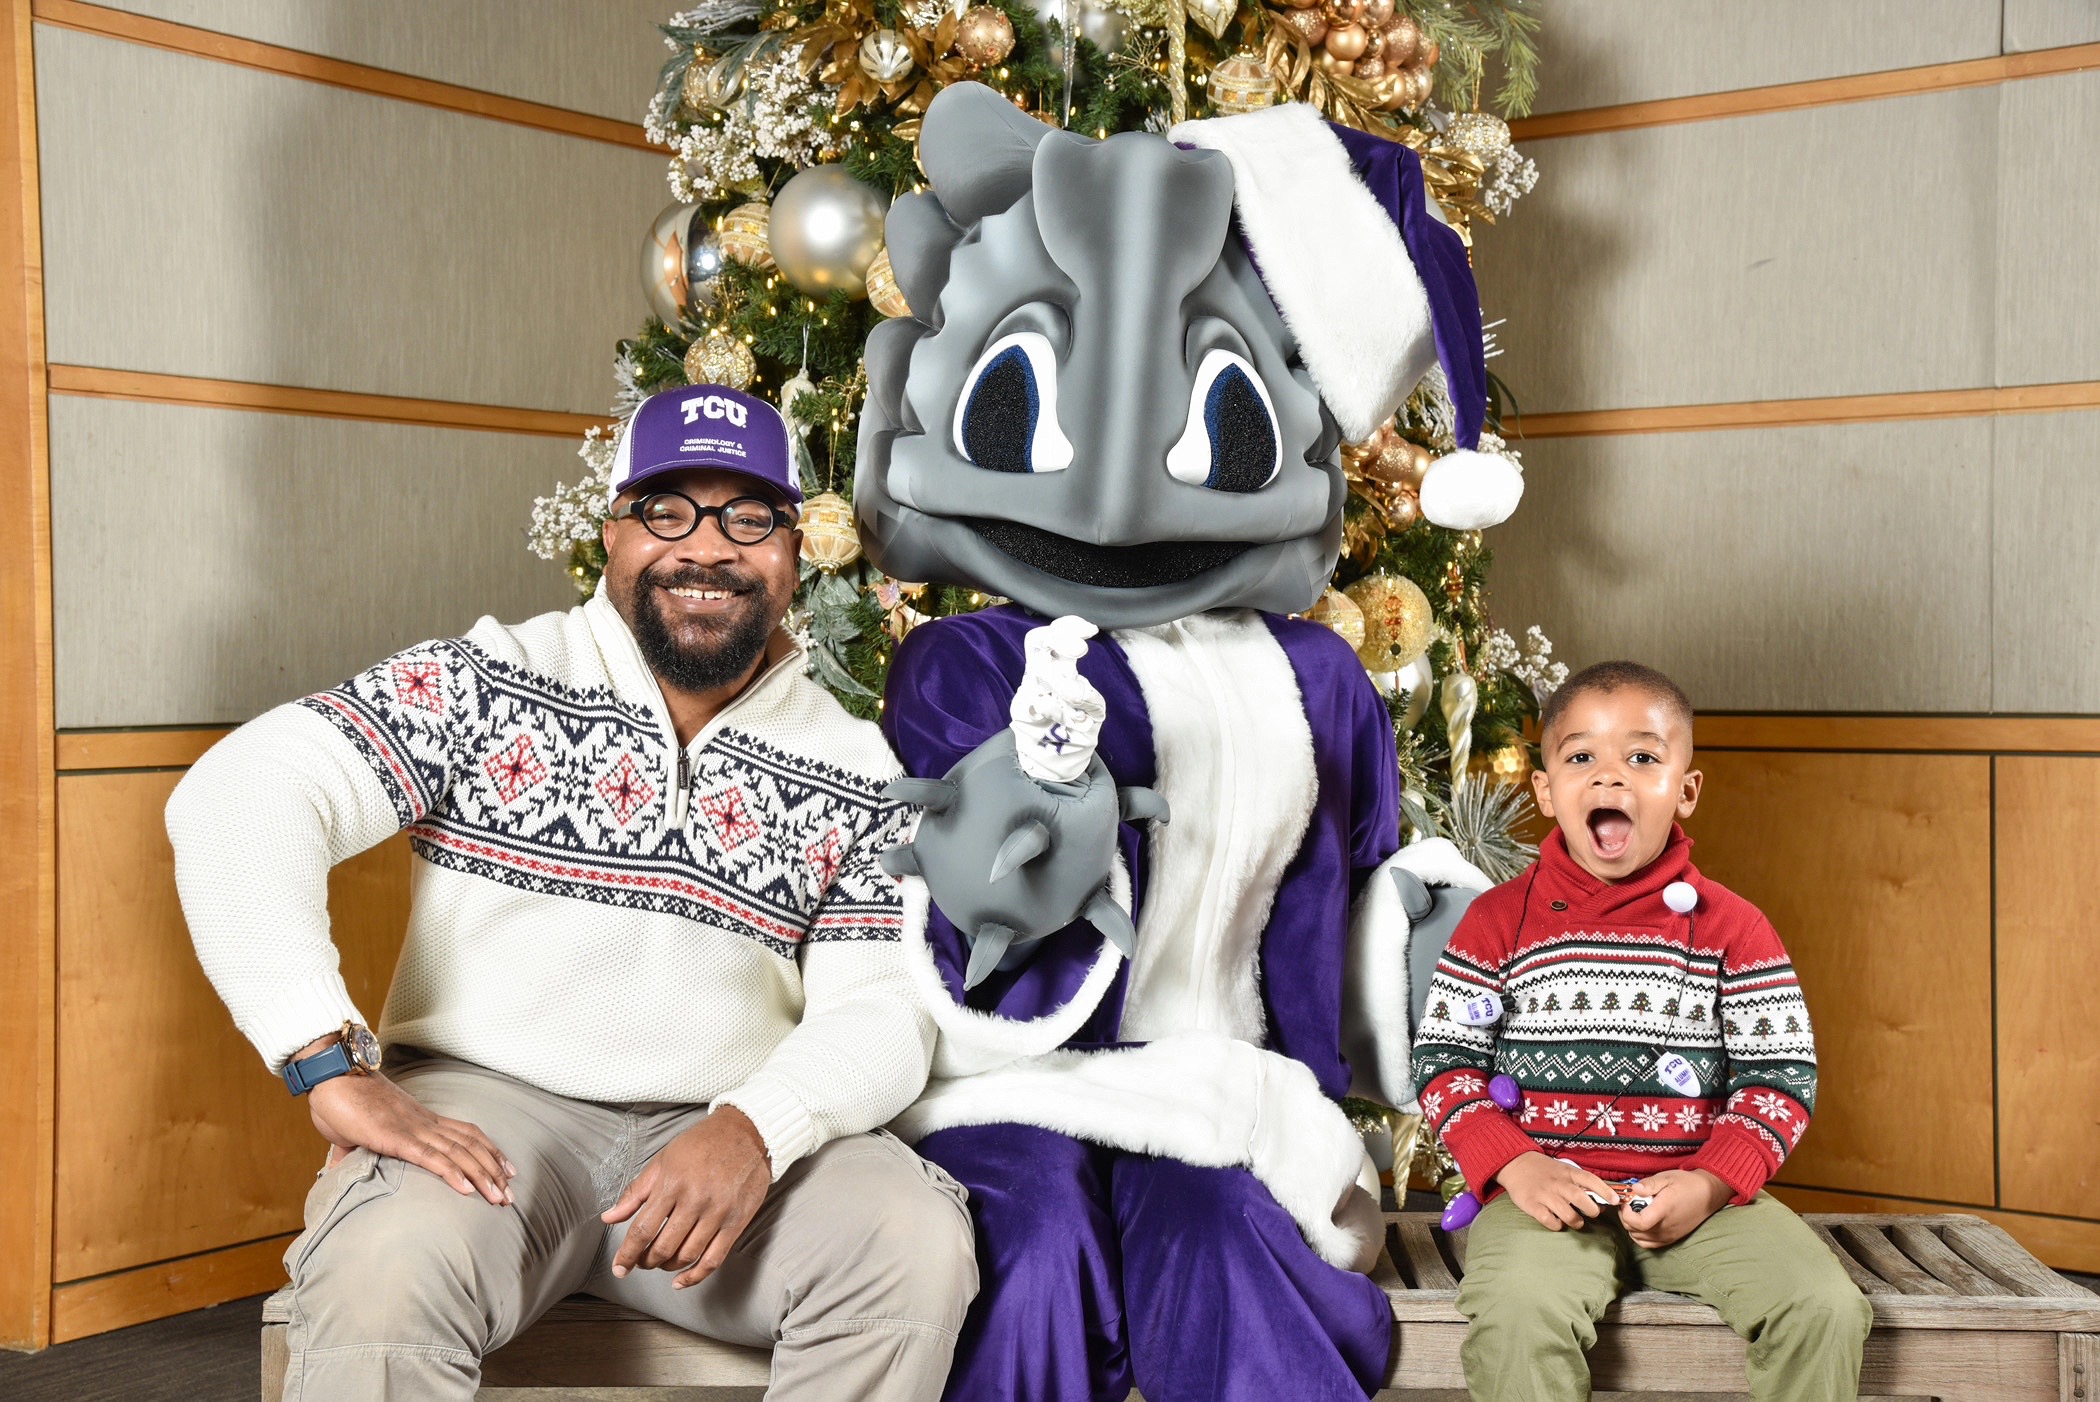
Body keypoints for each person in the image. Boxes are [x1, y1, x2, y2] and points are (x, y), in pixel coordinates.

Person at [166, 385, 976, 1401]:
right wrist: (325, 1059)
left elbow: (884, 1009)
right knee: (380, 1273)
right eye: (667, 510)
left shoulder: (858, 764)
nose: (707, 548)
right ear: (612, 534)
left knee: (910, 1241)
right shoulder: (489, 680)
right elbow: (244, 791)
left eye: (750, 516)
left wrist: (757, 1127)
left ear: (793, 550)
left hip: (725, 1131)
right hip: (487, 1125)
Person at [1412, 660, 1872, 1401]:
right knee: (1520, 1313)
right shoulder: (1498, 921)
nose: (1609, 778)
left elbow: (1780, 1078)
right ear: (1544, 790)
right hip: (1546, 1204)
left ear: (1685, 790)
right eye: (1581, 757)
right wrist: (1513, 1165)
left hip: (1702, 1199)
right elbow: (1444, 1060)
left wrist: (1711, 1181)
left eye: (1643, 757)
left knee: (1821, 1307)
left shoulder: (1734, 928)